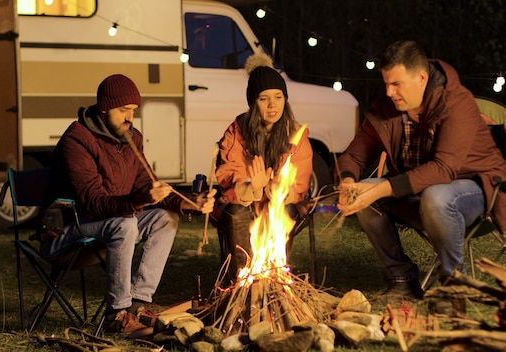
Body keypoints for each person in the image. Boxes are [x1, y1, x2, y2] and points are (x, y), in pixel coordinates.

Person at [336, 40, 506, 299]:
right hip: (419, 192)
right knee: (366, 195)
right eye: (386, 83)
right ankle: (402, 279)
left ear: (421, 78)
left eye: (396, 84)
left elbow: (443, 169)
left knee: (436, 196)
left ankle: (454, 286)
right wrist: (347, 182)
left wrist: (384, 188)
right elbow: (353, 155)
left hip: (478, 188)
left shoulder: (456, 102)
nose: (389, 92)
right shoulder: (387, 109)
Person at [41, 74, 216, 337]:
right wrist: (139, 200)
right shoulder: (77, 141)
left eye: (133, 111)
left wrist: (190, 203)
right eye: (123, 110)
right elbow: (93, 201)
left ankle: (138, 302)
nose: (129, 117)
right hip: (68, 229)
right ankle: (116, 315)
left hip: (108, 223)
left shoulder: (131, 139)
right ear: (104, 108)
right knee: (125, 223)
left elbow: (149, 183)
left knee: (164, 218)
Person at [215, 53, 313, 279]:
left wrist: (281, 190)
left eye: (278, 97)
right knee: (237, 212)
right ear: (253, 102)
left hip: (278, 203)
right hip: (244, 201)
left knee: (281, 210)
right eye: (263, 98)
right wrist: (252, 187)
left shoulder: (296, 136)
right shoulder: (238, 131)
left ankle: (276, 278)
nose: (272, 105)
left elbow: (300, 184)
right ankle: (243, 279)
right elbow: (229, 173)